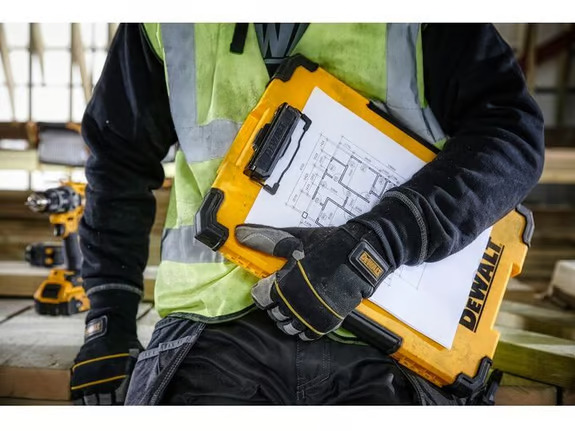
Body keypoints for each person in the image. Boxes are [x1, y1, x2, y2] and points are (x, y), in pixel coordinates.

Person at [69, 23, 544, 405]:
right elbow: (118, 157)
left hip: (393, 336)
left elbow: (511, 133)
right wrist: (109, 317)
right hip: (212, 327)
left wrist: (378, 245)